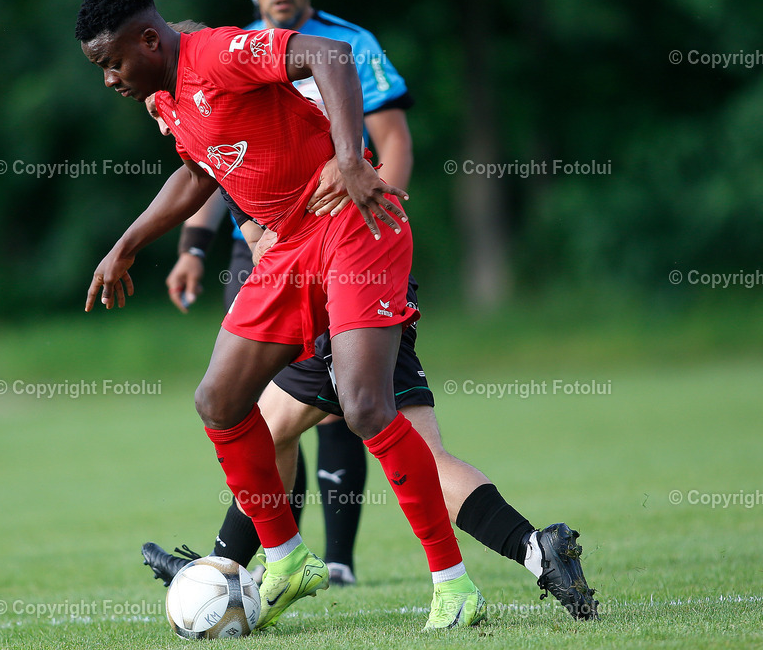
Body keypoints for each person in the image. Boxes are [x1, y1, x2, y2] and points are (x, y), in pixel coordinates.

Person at [77, 0, 486, 630]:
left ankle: (453, 583)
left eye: (113, 62)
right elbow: (195, 173)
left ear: (150, 39)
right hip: (293, 248)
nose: (109, 79)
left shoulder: (215, 54)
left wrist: (351, 156)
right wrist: (128, 243)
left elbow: (329, 57)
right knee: (218, 399)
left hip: (356, 224)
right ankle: (287, 556)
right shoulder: (169, 98)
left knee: (364, 405)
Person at [143, 83, 599, 622]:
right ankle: (534, 549)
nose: (163, 124)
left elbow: (272, 230)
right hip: (366, 279)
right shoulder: (228, 128)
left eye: (158, 107)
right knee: (343, 441)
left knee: (258, 425)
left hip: (342, 286)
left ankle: (231, 571)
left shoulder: (240, 110)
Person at [165, 0, 416, 584]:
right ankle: (256, 558)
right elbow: (213, 166)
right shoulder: (223, 51)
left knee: (337, 400)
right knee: (260, 402)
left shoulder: (350, 44)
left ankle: (328, 560)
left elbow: (391, 140)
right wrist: (193, 247)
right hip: (259, 249)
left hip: (340, 233)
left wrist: (375, 209)